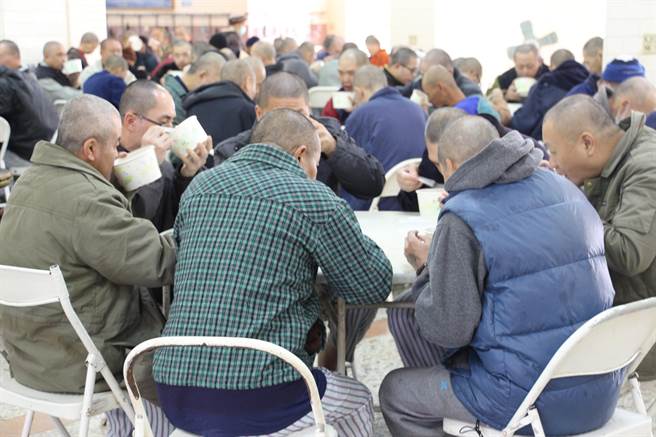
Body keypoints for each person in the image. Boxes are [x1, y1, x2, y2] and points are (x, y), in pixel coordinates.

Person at [153, 108, 391, 437]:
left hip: (174, 390)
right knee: (358, 400)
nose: (314, 174)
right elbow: (370, 286)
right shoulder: (313, 199)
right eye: (315, 164)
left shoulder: (200, 187)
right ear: (301, 154)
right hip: (261, 396)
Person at [381, 115, 619, 437]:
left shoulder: (462, 216)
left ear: (449, 165)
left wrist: (427, 267)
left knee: (395, 391)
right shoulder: (566, 189)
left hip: (528, 403)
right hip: (600, 388)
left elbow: (448, 330)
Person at [0, 95, 177, 437]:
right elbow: (157, 262)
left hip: (28, 357)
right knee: (184, 353)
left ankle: (124, 426)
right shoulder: (89, 200)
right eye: (115, 146)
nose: (118, 153)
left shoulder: (29, 182)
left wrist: (120, 180)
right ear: (91, 149)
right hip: (79, 365)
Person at [543, 95, 656, 379]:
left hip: (641, 338)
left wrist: (567, 202)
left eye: (554, 152)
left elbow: (630, 253)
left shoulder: (647, 166)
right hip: (617, 313)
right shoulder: (613, 160)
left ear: (587, 143)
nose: (552, 163)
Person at [215, 72, 384, 199]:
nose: (290, 121)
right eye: (280, 114)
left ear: (309, 110)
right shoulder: (235, 149)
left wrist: (335, 149)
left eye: (299, 113)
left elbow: (373, 186)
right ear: (259, 113)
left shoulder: (328, 132)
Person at [119, 80, 211, 231]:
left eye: (172, 122)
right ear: (131, 121)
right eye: (163, 122)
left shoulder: (165, 166)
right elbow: (136, 218)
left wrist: (186, 174)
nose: (170, 130)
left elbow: (175, 214)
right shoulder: (110, 163)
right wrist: (149, 163)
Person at [343, 65, 426, 210]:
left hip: (377, 204)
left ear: (359, 92)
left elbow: (347, 164)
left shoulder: (362, 114)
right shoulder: (418, 109)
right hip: (418, 199)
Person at [0, 39, 58, 168]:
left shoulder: (7, 84)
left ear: (13, 56)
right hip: (44, 148)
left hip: (25, 155)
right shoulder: (31, 78)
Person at [511, 50, 588, 140]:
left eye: (530, 66)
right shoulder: (588, 82)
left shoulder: (545, 83)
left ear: (551, 67)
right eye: (521, 67)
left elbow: (523, 122)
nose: (525, 71)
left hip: (548, 141)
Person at [184, 59, 256, 145]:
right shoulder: (247, 109)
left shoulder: (194, 102)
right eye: (257, 85)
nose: (256, 91)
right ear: (248, 82)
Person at [162, 52, 224, 124]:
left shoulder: (181, 95)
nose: (216, 90)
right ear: (202, 76)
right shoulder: (171, 100)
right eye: (216, 84)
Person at [422, 65, 499, 120]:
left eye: (428, 94)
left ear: (440, 88)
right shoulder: (480, 102)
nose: (429, 100)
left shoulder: (455, 116)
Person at [400, 49, 482, 99]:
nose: (425, 79)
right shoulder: (421, 83)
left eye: (431, 74)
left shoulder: (471, 92)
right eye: (422, 74)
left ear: (449, 73)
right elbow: (399, 94)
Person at [321, 49, 369, 124]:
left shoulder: (378, 100)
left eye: (351, 73)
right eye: (341, 73)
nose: (345, 79)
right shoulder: (334, 103)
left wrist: (359, 111)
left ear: (366, 72)